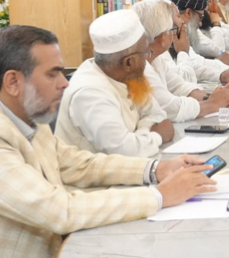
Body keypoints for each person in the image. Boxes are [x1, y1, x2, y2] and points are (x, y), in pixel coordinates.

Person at [0, 25, 218, 258]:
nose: (64, 83)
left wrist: (156, 170)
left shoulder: (24, 116)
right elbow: (59, 211)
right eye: (53, 74)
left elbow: (77, 164)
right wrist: (160, 196)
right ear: (13, 81)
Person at [55, 10, 173, 157]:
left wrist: (141, 134)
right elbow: (123, 151)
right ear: (128, 62)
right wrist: (157, 136)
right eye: (146, 52)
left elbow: (157, 115)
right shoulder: (90, 93)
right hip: (95, 172)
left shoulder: (127, 76)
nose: (148, 58)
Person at [132, 0, 229, 122]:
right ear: (162, 37)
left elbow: (180, 86)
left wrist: (213, 98)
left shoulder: (156, 59)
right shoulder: (141, 65)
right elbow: (170, 108)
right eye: (173, 29)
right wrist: (212, 104)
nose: (181, 27)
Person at [169, 0, 229, 85]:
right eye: (177, 16)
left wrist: (225, 73)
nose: (200, 24)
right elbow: (183, 77)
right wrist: (182, 52)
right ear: (188, 13)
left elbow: (197, 65)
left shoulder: (181, 33)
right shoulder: (165, 38)